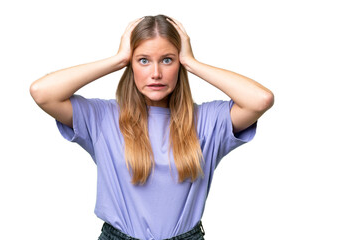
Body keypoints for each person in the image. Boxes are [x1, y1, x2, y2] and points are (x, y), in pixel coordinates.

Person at [30, 15, 274, 240]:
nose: (156, 73)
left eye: (167, 60)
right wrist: (117, 60)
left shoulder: (207, 121)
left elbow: (260, 100)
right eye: (143, 60)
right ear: (131, 65)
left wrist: (192, 63)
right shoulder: (103, 118)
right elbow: (42, 93)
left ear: (179, 64)